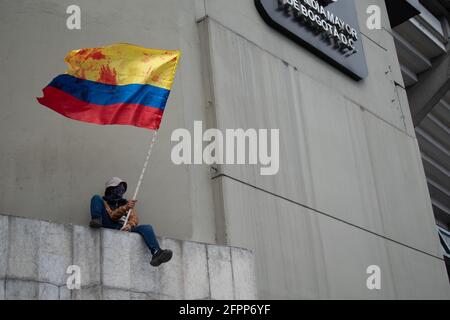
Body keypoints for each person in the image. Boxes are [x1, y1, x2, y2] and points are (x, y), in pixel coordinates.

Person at [90, 177, 173, 267]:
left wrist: (129, 225)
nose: (120, 191)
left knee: (147, 228)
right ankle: (96, 219)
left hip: (123, 227)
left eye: (122, 189)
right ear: (110, 189)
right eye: (118, 188)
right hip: (109, 224)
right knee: (96, 198)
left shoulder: (126, 203)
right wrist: (125, 207)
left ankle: (156, 252)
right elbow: (113, 216)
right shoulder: (104, 202)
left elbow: (134, 218)